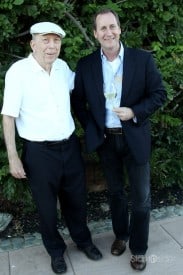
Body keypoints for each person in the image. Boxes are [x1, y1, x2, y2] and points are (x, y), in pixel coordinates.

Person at [1, 22, 102, 274]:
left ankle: (83, 241)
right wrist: (13, 156)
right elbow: (8, 116)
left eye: (56, 41)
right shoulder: (18, 72)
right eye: (45, 40)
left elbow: (81, 88)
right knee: (46, 207)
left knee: (77, 201)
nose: (51, 46)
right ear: (33, 43)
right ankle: (56, 252)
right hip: (39, 153)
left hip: (69, 147)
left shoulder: (62, 67)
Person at [71, 8, 166, 271]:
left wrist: (135, 112)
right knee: (115, 194)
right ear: (95, 34)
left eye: (112, 26)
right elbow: (78, 101)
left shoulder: (141, 60)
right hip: (107, 141)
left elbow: (159, 94)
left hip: (134, 137)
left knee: (141, 198)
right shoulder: (86, 64)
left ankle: (138, 248)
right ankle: (121, 236)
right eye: (102, 28)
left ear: (120, 29)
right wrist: (93, 125)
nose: (108, 32)